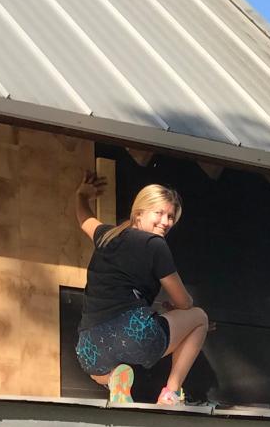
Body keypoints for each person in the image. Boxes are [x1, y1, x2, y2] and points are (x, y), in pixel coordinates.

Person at [74, 172, 208, 407]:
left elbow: (84, 218)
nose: (166, 222)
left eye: (170, 216)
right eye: (159, 213)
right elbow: (185, 302)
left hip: (88, 346)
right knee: (199, 318)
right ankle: (171, 393)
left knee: (99, 370)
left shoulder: (106, 235)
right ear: (139, 213)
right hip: (133, 334)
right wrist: (178, 306)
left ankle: (113, 378)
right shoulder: (155, 245)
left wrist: (81, 195)